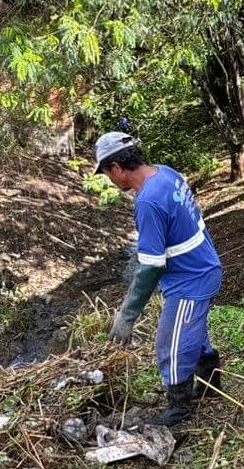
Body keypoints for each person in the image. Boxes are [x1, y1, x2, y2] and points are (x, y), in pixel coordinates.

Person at [96, 132, 223, 426]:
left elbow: (151, 265)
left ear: (116, 168)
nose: (111, 182)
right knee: (191, 329)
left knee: (171, 343)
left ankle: (179, 408)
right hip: (201, 265)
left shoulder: (148, 201)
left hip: (192, 279)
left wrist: (127, 315)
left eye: (107, 174)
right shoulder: (166, 173)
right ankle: (211, 384)